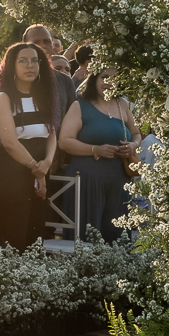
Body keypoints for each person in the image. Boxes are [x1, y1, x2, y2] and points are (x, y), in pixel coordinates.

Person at [0, 42, 58, 251]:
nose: (30, 66)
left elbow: (53, 134)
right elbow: (9, 143)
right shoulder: (4, 98)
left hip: (42, 168)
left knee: (35, 237)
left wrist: (46, 164)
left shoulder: (44, 96)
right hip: (14, 172)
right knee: (13, 235)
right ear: (12, 66)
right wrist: (36, 170)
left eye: (35, 61)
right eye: (23, 61)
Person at [57, 67, 142, 242]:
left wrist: (132, 146)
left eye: (114, 78)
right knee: (86, 236)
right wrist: (95, 150)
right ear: (94, 79)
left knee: (116, 236)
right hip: (86, 180)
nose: (109, 82)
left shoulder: (122, 105)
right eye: (104, 77)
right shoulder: (79, 106)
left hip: (119, 181)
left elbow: (136, 133)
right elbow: (64, 141)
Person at [24, 24, 76, 133]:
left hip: (59, 146)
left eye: (46, 42)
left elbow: (73, 120)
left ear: (52, 45)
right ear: (24, 46)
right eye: (36, 42)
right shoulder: (14, 79)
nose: (42, 46)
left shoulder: (65, 81)